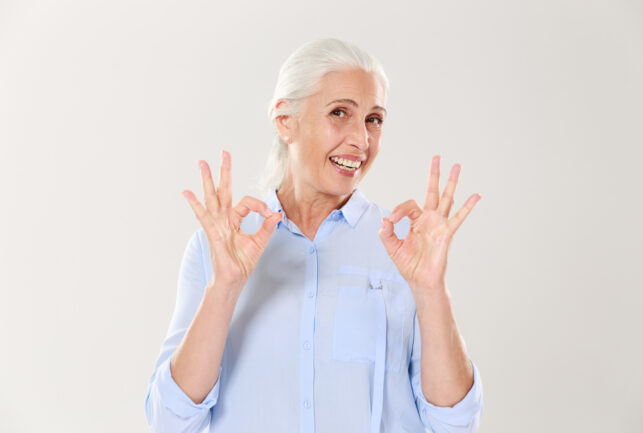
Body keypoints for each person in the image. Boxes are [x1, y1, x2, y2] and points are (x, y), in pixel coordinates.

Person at [144, 38, 484, 433]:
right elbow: (169, 422)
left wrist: (430, 291)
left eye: (374, 119)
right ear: (285, 121)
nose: (362, 140)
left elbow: (456, 425)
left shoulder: (407, 248)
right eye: (340, 113)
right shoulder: (217, 250)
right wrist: (225, 287)